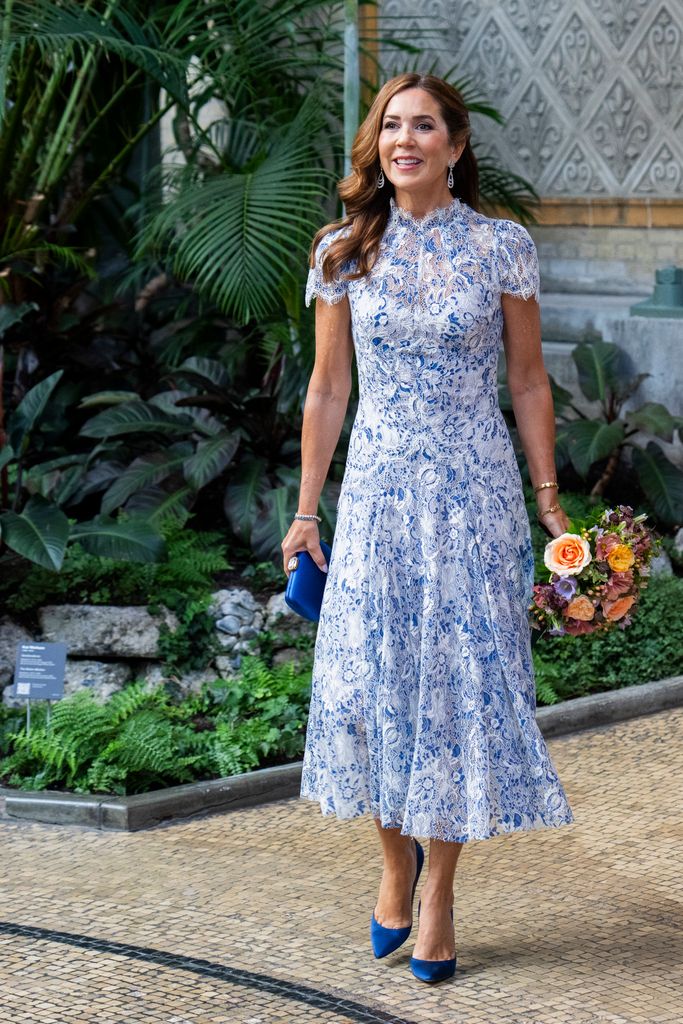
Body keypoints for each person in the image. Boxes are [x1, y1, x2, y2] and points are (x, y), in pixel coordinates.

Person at [281, 73, 575, 984]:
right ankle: (390, 865)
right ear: (376, 145)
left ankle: (440, 890)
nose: (403, 140)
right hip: (375, 498)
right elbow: (328, 390)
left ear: (455, 145)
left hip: (474, 501)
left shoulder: (500, 247)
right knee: (372, 687)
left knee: (459, 692)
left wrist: (548, 496)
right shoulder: (341, 251)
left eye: (423, 126)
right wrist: (304, 509)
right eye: (390, 126)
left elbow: (526, 380)